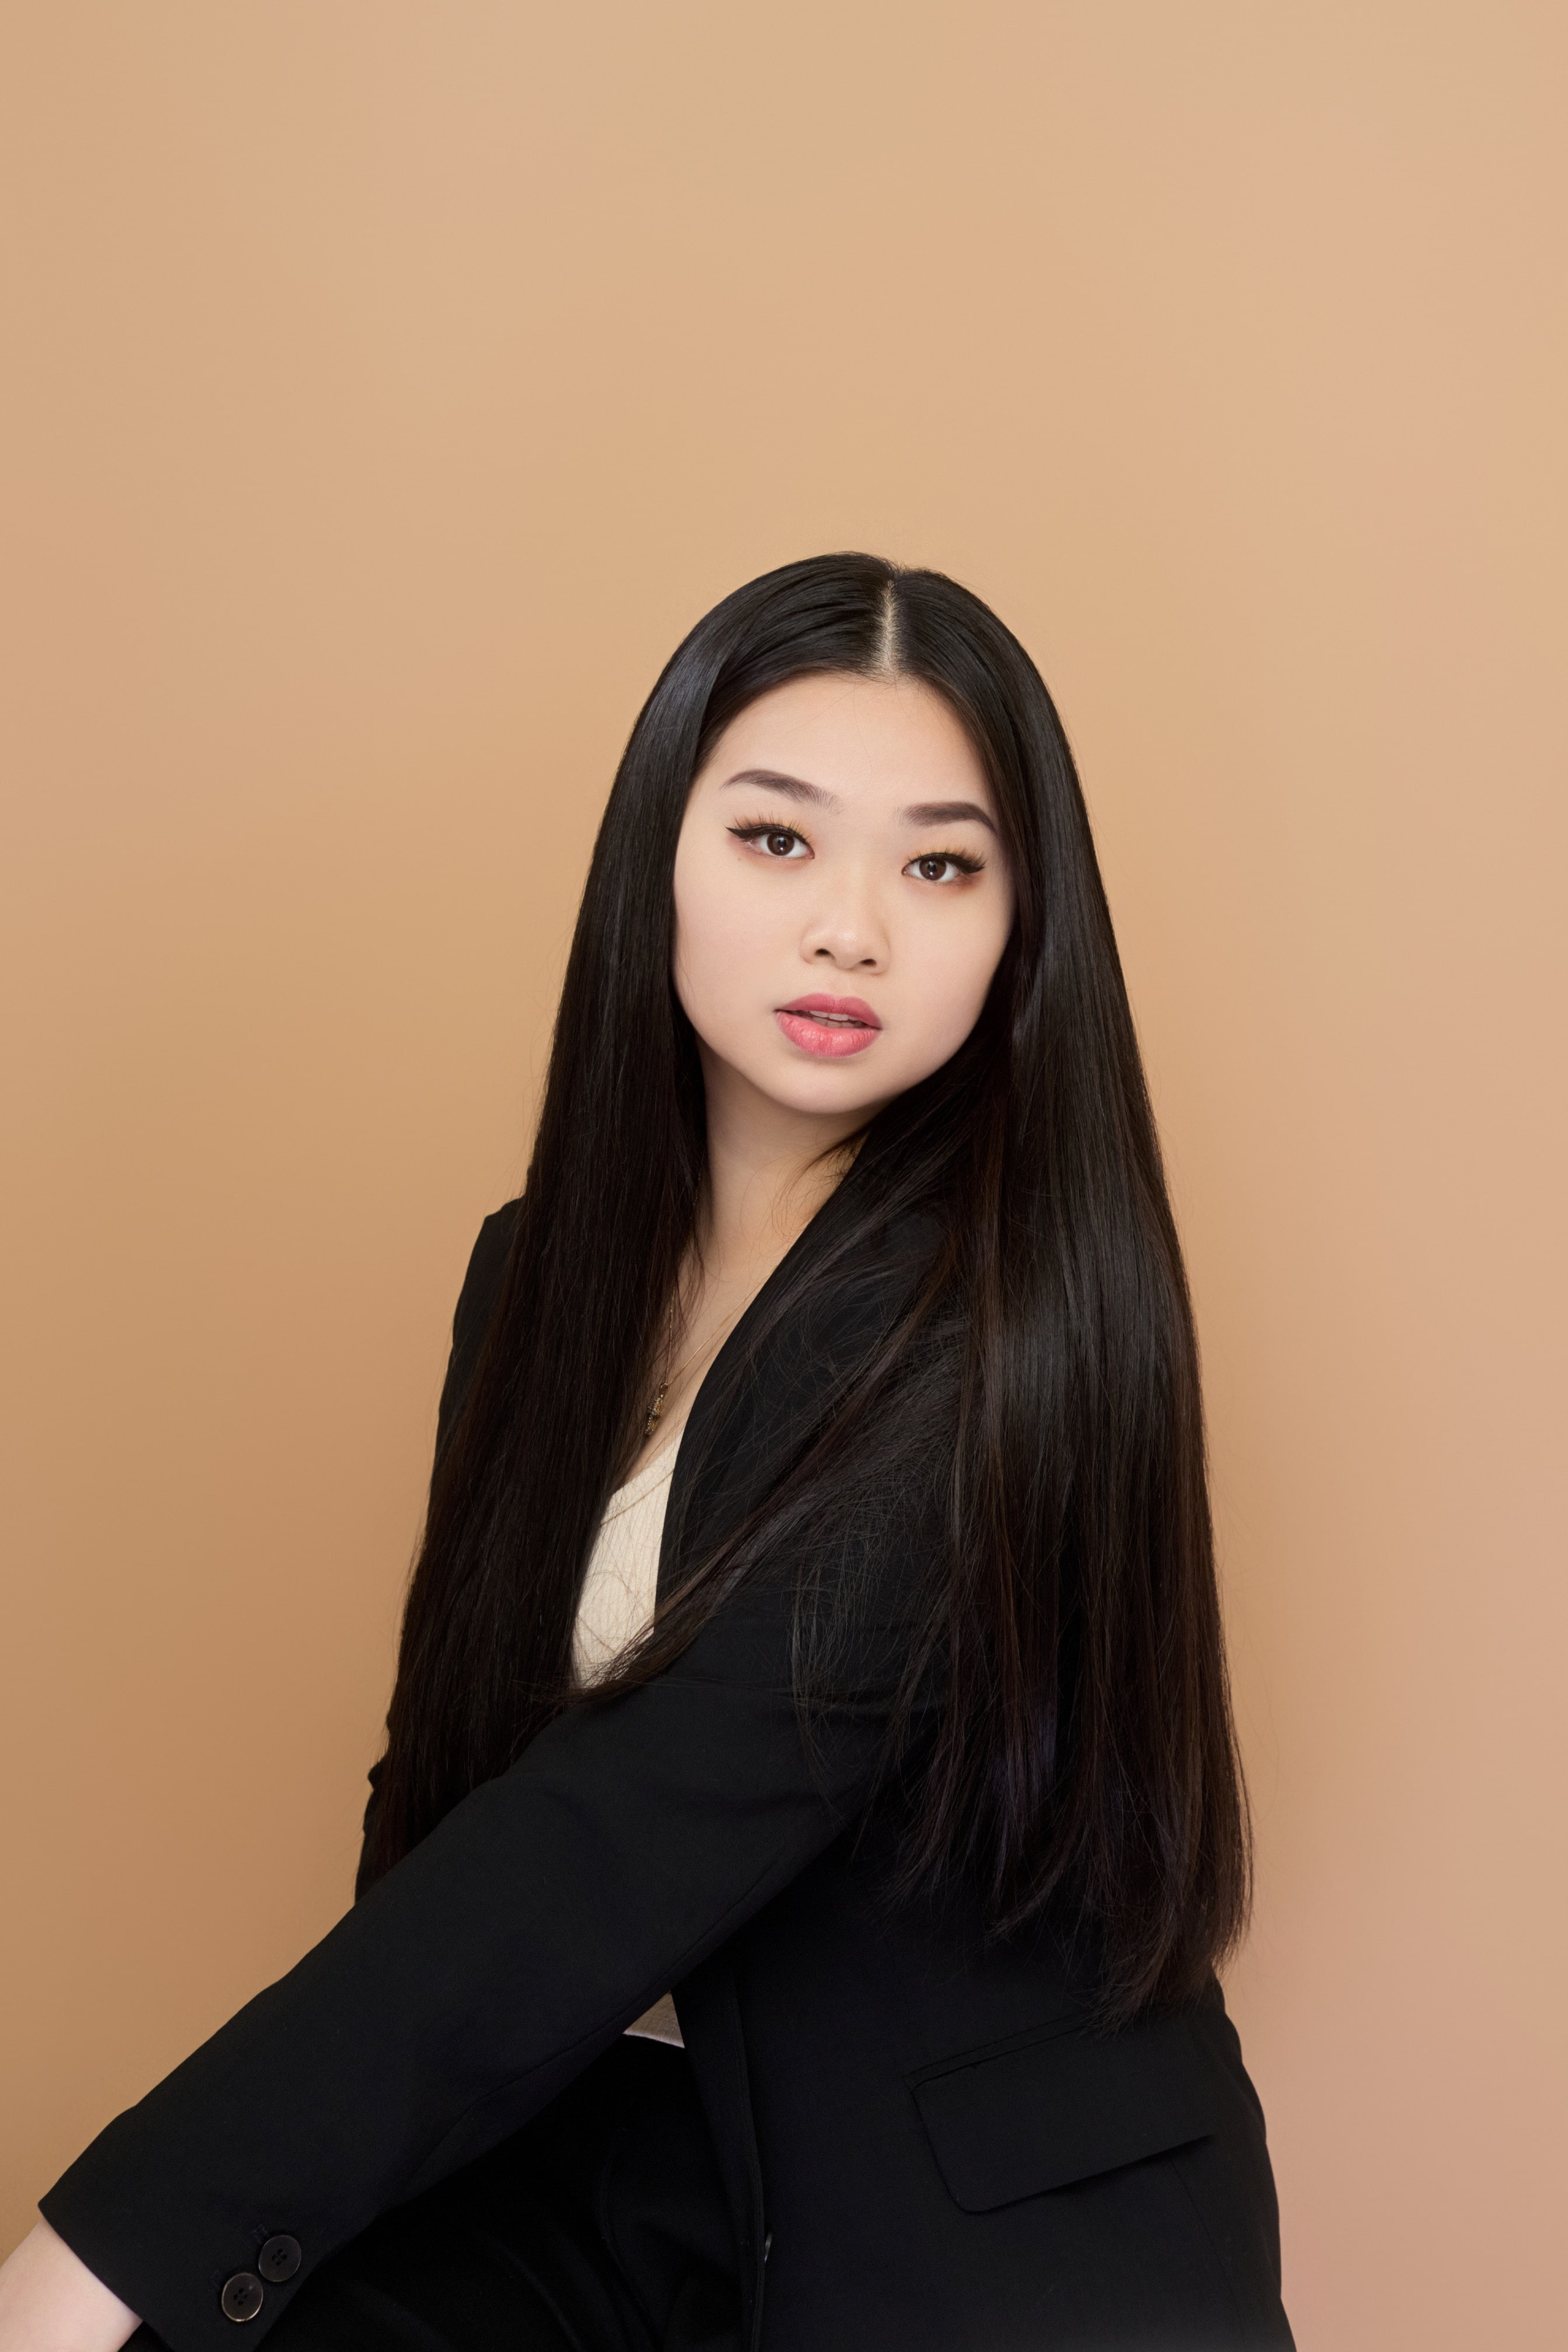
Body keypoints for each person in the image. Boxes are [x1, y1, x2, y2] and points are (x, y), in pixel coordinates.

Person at [0, 554, 1294, 2351]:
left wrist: (101, 2249)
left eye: (941, 864)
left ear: (1019, 931)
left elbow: (621, 1831)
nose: (852, 929)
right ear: (657, 864)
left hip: (978, 2226)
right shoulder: (536, 1274)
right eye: (778, 841)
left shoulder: (998, 1335)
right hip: (612, 2169)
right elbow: (452, 1796)